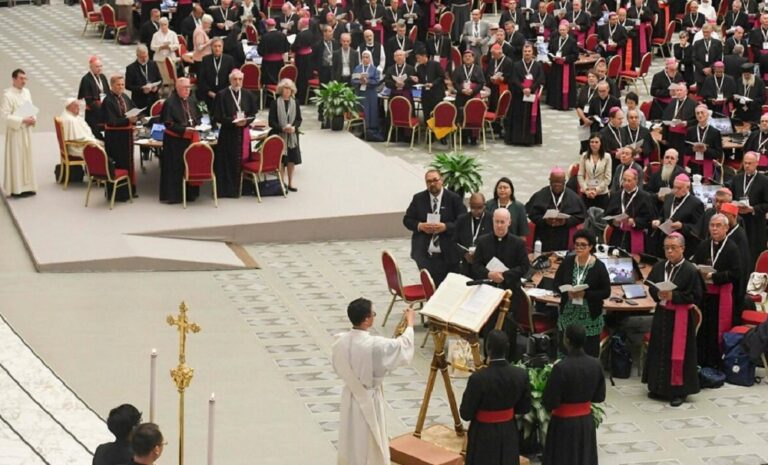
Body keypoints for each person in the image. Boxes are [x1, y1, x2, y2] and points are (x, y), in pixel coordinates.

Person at [331, 298, 415, 465]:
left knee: (352, 438)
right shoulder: (374, 345)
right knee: (369, 440)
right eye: (373, 314)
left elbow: (337, 366)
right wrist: (410, 323)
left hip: (350, 396)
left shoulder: (339, 341)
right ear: (367, 319)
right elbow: (403, 346)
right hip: (369, 397)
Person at [643, 233, 703, 407]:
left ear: (682, 248)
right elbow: (652, 288)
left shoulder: (691, 270)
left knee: (679, 354)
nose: (669, 251)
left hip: (681, 317)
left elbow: (696, 296)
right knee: (659, 349)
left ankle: (679, 391)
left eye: (673, 248)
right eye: (667, 248)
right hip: (662, 314)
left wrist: (673, 296)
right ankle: (658, 386)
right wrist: (658, 293)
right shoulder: (660, 266)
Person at [460, 330, 531, 465]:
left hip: (483, 433)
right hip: (508, 430)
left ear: (487, 348)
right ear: (508, 348)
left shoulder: (478, 378)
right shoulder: (520, 375)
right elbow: (524, 408)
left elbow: (466, 414)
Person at [542, 323, 606, 465]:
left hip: (563, 424)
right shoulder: (596, 364)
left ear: (567, 340)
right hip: (585, 423)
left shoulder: (560, 368)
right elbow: (600, 397)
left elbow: (549, 401)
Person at [471, 208, 532, 344]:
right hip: (489, 291)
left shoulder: (518, 243)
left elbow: (524, 267)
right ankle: (489, 355)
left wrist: (504, 275)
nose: (499, 225)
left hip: (510, 291)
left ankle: (508, 358)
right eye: (496, 222)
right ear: (492, 222)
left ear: (509, 222)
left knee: (508, 327)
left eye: (502, 222)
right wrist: (489, 274)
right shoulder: (482, 241)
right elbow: (475, 266)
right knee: (489, 325)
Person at [692, 213, 742, 368]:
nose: (714, 229)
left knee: (715, 331)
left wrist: (714, 276)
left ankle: (715, 362)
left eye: (718, 226)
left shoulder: (732, 248)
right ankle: (700, 360)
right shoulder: (704, 245)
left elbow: (736, 273)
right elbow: (695, 263)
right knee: (702, 329)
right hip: (704, 294)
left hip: (721, 295)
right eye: (711, 225)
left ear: (726, 228)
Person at [552, 230, 611, 357]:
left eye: (583, 245)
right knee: (565, 351)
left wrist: (586, 294)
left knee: (588, 353)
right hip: (568, 313)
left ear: (590, 247)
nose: (578, 248)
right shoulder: (567, 262)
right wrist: (566, 292)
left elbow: (606, 292)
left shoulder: (599, 266)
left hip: (589, 315)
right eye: (576, 244)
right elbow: (555, 283)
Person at [403, 169, 467, 286]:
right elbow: (407, 220)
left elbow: (463, 222)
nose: (432, 184)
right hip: (424, 254)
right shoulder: (418, 199)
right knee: (430, 287)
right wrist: (420, 226)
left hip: (448, 254)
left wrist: (446, 226)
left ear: (441, 180)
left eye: (435, 180)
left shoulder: (454, 199)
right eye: (429, 181)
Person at [213, 69, 259, 198]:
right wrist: (233, 122)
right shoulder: (222, 95)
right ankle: (227, 190)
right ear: (230, 80)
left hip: (243, 133)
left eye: (240, 79)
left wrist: (245, 121)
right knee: (227, 162)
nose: (237, 82)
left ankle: (242, 187)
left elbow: (253, 114)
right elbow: (217, 116)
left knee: (242, 160)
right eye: (235, 79)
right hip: (228, 134)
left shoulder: (247, 94)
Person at [526, 168, 587, 251]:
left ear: (564, 181)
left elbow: (580, 216)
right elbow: (532, 214)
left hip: (563, 236)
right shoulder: (540, 194)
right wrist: (545, 221)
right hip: (543, 234)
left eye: (560, 183)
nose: (557, 185)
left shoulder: (573, 197)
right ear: (550, 181)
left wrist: (565, 221)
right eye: (554, 182)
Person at [160, 78, 200, 204]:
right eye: (184, 88)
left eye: (189, 87)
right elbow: (168, 124)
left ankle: (190, 194)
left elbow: (197, 116)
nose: (187, 90)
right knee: (175, 168)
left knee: (190, 166)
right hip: (175, 141)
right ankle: (174, 196)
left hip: (190, 139)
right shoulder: (170, 103)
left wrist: (197, 125)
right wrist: (184, 129)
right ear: (177, 88)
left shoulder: (191, 100)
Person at [727, 151, 768, 270]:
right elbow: (732, 198)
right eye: (745, 163)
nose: (747, 166)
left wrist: (753, 209)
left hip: (756, 223)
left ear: (757, 163)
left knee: (753, 252)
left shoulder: (764, 181)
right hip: (739, 220)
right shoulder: (737, 178)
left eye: (750, 163)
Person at [102, 75, 138, 201]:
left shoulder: (125, 97)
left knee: (129, 164)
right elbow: (111, 121)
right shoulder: (108, 101)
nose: (121, 87)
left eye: (123, 85)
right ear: (112, 86)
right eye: (118, 85)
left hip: (126, 137)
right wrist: (128, 120)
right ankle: (118, 194)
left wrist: (138, 115)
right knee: (119, 164)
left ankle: (130, 191)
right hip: (115, 139)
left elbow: (133, 109)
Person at [1, 69, 36, 198]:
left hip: (26, 131)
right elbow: (5, 116)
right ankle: (17, 188)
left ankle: (29, 187)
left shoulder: (27, 92)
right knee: (16, 159)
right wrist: (22, 120)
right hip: (16, 133)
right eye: (21, 78)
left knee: (27, 158)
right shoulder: (8, 95)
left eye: (25, 79)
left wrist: (33, 119)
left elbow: (31, 107)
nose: (24, 81)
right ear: (14, 79)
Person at [652, 173, 704, 258]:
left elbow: (699, 228)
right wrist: (659, 221)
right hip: (666, 242)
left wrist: (682, 226)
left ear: (687, 188)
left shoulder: (696, 203)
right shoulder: (669, 197)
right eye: (674, 187)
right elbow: (663, 215)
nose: (675, 190)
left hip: (683, 245)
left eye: (679, 188)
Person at [605, 168, 653, 254]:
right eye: (624, 180)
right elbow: (608, 213)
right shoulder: (616, 195)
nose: (626, 183)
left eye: (629, 180)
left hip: (636, 234)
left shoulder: (645, 197)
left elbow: (649, 219)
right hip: (618, 235)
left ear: (636, 180)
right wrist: (614, 221)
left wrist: (634, 222)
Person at [506, 43, 544, 146]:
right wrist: (523, 88)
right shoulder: (516, 65)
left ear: (532, 53)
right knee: (518, 116)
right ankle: (517, 139)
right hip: (519, 96)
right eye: (525, 51)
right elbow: (513, 79)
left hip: (532, 96)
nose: (527, 53)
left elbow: (540, 79)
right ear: (522, 53)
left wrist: (531, 89)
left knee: (531, 117)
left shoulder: (538, 65)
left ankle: (530, 140)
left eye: (529, 51)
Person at [268, 78, 302, 192]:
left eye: (289, 88)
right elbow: (271, 122)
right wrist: (282, 128)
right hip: (280, 135)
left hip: (292, 136)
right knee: (282, 160)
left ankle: (291, 182)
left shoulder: (295, 102)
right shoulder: (275, 103)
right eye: (285, 88)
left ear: (292, 90)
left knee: (291, 160)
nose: (287, 91)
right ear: (281, 90)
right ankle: (281, 183)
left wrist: (294, 127)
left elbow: (299, 119)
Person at [455, 192, 493, 276]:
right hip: (466, 266)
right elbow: (453, 241)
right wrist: (464, 254)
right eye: (473, 207)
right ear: (469, 205)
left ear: (484, 205)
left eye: (479, 207)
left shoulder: (492, 219)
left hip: (485, 266)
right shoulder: (462, 219)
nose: (476, 211)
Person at [196, 38, 236, 116]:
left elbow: (231, 78)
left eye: (219, 46)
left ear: (222, 47)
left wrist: (222, 93)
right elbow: (201, 78)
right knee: (199, 95)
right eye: (215, 46)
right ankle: (205, 119)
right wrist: (209, 92)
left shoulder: (229, 59)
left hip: (224, 92)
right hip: (208, 92)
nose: (217, 48)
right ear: (211, 47)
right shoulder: (205, 59)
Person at [547, 21, 579, 110]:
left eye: (564, 30)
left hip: (566, 67)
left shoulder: (572, 41)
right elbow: (549, 52)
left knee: (565, 85)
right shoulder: (555, 40)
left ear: (568, 30)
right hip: (556, 67)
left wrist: (565, 58)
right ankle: (555, 103)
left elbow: (575, 55)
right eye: (560, 30)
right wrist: (552, 57)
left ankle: (566, 104)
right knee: (555, 84)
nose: (562, 32)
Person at [352, 50, 383, 140]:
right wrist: (360, 81)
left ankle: (371, 130)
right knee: (361, 110)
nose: (365, 59)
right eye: (363, 57)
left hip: (370, 93)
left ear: (370, 58)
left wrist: (367, 81)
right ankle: (360, 129)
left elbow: (377, 81)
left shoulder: (374, 69)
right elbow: (353, 80)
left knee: (371, 111)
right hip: (360, 92)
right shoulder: (357, 68)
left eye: (367, 57)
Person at [661, 84, 697, 161]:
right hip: (672, 135)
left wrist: (687, 123)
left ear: (686, 92)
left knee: (681, 157)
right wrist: (664, 137)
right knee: (671, 155)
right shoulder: (672, 102)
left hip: (684, 136)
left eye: (681, 90)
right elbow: (665, 118)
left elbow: (696, 120)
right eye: (677, 90)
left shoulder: (693, 104)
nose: (679, 92)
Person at [685, 104, 722, 179]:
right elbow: (685, 150)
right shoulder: (690, 130)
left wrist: (706, 150)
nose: (700, 115)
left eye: (702, 113)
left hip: (708, 164)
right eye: (697, 113)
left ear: (707, 114)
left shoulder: (715, 132)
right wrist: (692, 149)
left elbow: (718, 154)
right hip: (693, 165)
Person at [577, 134, 612, 210]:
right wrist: (586, 190)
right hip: (587, 193)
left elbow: (608, 178)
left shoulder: (607, 157)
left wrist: (596, 190)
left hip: (601, 193)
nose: (594, 144)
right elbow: (580, 175)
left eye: (596, 142)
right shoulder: (584, 155)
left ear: (601, 143)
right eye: (592, 142)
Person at [78, 56, 110, 139]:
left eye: (101, 66)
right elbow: (88, 100)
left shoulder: (103, 77)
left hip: (104, 113)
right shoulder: (86, 79)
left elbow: (108, 92)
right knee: (95, 136)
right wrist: (102, 106)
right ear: (91, 67)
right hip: (93, 115)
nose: (99, 69)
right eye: (97, 67)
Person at [125, 45, 162, 113]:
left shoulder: (153, 64)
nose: (144, 59)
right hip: (139, 100)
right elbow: (128, 86)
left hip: (154, 98)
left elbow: (160, 79)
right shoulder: (131, 68)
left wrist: (156, 87)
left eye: (146, 56)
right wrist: (141, 89)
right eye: (142, 57)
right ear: (137, 55)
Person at [414, 46, 445, 124]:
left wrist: (433, 84)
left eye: (419, 58)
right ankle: (428, 133)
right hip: (425, 95)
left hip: (436, 94)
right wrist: (416, 80)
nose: (417, 60)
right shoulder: (419, 67)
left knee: (437, 115)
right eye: (417, 58)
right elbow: (421, 80)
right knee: (426, 115)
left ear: (424, 56)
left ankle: (437, 134)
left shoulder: (435, 64)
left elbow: (441, 76)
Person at [258, 19, 290, 88]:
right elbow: (287, 48)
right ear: (275, 25)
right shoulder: (282, 35)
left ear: (266, 26)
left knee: (267, 82)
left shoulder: (265, 36)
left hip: (267, 63)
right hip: (279, 62)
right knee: (279, 79)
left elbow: (260, 51)